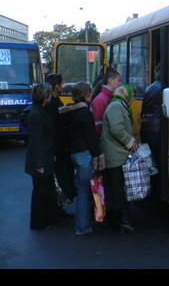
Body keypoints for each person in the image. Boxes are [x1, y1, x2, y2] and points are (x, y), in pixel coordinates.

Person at [59, 82, 104, 236]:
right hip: (84, 154)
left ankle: (83, 223)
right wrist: (98, 155)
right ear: (86, 95)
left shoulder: (67, 112)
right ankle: (83, 226)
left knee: (81, 189)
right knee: (86, 191)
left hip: (74, 154)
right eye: (90, 93)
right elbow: (91, 137)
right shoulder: (85, 113)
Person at [25, 83, 65, 230]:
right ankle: (38, 222)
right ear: (45, 97)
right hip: (41, 160)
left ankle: (48, 218)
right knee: (40, 192)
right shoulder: (36, 114)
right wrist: (39, 164)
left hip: (45, 158)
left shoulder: (40, 111)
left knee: (46, 190)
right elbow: (36, 141)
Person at [101, 84, 139, 233]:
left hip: (117, 154)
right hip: (115, 155)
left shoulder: (119, 106)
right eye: (133, 96)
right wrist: (130, 143)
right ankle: (122, 221)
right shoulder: (116, 107)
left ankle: (121, 220)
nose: (134, 99)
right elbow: (117, 129)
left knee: (119, 189)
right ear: (126, 95)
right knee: (118, 190)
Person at [45, 73, 76, 210]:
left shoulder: (54, 100)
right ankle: (57, 208)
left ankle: (60, 206)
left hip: (60, 146)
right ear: (56, 86)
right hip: (57, 147)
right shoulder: (51, 103)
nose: (63, 86)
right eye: (61, 84)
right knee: (58, 179)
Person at [140, 64, 163, 198]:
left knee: (150, 163)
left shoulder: (150, 88)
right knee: (158, 162)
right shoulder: (164, 89)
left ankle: (149, 192)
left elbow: (144, 110)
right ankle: (156, 191)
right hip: (157, 130)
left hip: (146, 128)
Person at [90, 69, 121, 136]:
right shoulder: (101, 99)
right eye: (118, 81)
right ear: (110, 81)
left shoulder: (107, 97)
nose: (120, 83)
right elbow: (98, 125)